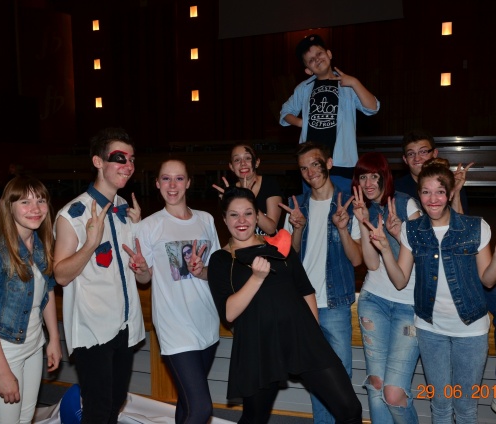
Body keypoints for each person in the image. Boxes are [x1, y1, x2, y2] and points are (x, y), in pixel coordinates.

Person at [366, 158, 496, 424]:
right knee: (439, 407)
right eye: (426, 192)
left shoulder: (475, 227)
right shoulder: (412, 230)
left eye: (440, 191)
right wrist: (384, 249)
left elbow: (488, 281)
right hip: (430, 330)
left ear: (450, 194)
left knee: (465, 409)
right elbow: (400, 280)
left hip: (470, 331)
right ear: (419, 195)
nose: (433, 199)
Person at [207, 187, 363, 424]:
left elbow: (306, 290)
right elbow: (229, 313)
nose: (242, 221)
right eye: (234, 215)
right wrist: (256, 278)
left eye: (248, 213)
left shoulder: (279, 245)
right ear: (224, 219)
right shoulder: (221, 260)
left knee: (350, 409)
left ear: (257, 217)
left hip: (302, 336)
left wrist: (314, 334)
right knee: (255, 418)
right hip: (259, 344)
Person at [53, 127, 146, 424]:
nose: (128, 166)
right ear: (98, 162)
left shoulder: (124, 210)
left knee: (115, 403)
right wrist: (90, 243)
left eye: (131, 159)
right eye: (119, 158)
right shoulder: (73, 215)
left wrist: (142, 260)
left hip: (125, 325)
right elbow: (60, 275)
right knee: (98, 410)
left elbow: (142, 278)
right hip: (93, 329)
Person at [279, 141, 363, 424]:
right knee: (317, 378)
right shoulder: (296, 206)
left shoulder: (348, 203)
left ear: (328, 163)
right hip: (304, 305)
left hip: (336, 303)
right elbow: (289, 258)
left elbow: (357, 260)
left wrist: (343, 228)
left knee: (340, 378)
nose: (310, 172)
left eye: (315, 164)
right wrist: (297, 228)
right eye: (304, 168)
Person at [0, 176, 62, 423]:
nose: (35, 208)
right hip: (4, 353)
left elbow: (48, 291)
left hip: (33, 347)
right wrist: (2, 372)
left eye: (40, 200)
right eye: (25, 202)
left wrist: (53, 339)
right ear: (9, 207)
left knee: (26, 418)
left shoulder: (39, 243)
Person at [136, 159, 221, 424]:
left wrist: (200, 270)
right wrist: (141, 269)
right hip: (174, 325)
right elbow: (144, 279)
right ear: (157, 183)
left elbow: (215, 271)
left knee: (187, 402)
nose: (172, 185)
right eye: (166, 178)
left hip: (207, 321)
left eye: (179, 178)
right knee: (201, 408)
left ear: (189, 183)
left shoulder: (206, 220)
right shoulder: (148, 226)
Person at [351, 152, 421, 423]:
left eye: (374, 176)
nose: (368, 183)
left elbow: (422, 255)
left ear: (384, 177)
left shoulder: (405, 203)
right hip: (373, 301)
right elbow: (371, 264)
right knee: (377, 383)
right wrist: (361, 221)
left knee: (393, 393)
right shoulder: (362, 209)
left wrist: (398, 232)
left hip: (409, 306)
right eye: (363, 177)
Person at [279, 33, 380, 195]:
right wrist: (301, 122)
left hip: (342, 161)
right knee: (313, 205)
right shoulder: (303, 88)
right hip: (312, 164)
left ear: (329, 54)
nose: (317, 59)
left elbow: (372, 108)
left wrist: (354, 83)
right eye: (311, 60)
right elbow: (285, 112)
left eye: (319, 53)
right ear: (308, 70)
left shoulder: (347, 84)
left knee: (343, 205)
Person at [212, 143, 283, 235]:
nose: (243, 163)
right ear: (231, 167)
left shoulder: (270, 184)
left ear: (257, 162)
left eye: (248, 158)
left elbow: (270, 229)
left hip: (269, 243)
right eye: (237, 160)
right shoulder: (231, 192)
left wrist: (248, 199)